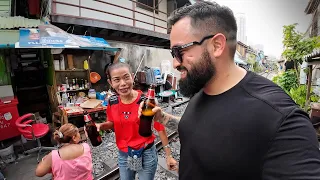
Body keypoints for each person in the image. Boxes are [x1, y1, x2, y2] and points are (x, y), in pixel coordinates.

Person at [138, 1, 320, 180]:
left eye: (179, 52)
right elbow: (202, 130)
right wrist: (162, 117)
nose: (175, 63)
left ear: (217, 45)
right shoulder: (202, 89)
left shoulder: (281, 119)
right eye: (172, 54)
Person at [96, 62, 177, 180]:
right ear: (111, 83)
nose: (123, 84)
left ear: (132, 77)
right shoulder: (112, 101)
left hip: (146, 154)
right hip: (124, 154)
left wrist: (168, 155)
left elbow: (160, 129)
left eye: (126, 77)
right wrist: (101, 126)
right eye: (117, 80)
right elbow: (112, 123)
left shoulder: (146, 102)